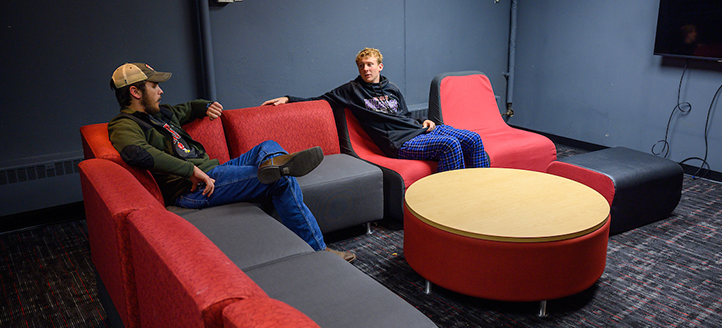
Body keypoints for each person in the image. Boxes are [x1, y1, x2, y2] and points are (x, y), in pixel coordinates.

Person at [107, 62, 355, 262]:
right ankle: (319, 251)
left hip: (214, 170)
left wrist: (206, 106)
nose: (160, 91)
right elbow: (137, 154)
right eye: (154, 86)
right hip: (193, 188)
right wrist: (189, 169)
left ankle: (274, 164)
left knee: (267, 146)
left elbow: (189, 108)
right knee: (282, 180)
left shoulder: (160, 114)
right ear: (135, 92)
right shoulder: (124, 125)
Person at [263, 47, 489, 172]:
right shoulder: (351, 90)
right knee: (450, 145)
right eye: (361, 65)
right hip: (400, 143)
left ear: (380, 66)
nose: (365, 68)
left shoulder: (392, 88)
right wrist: (288, 98)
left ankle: (481, 190)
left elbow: (406, 116)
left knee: (473, 139)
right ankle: (453, 200)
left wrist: (425, 122)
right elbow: (319, 100)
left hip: (419, 131)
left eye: (369, 64)